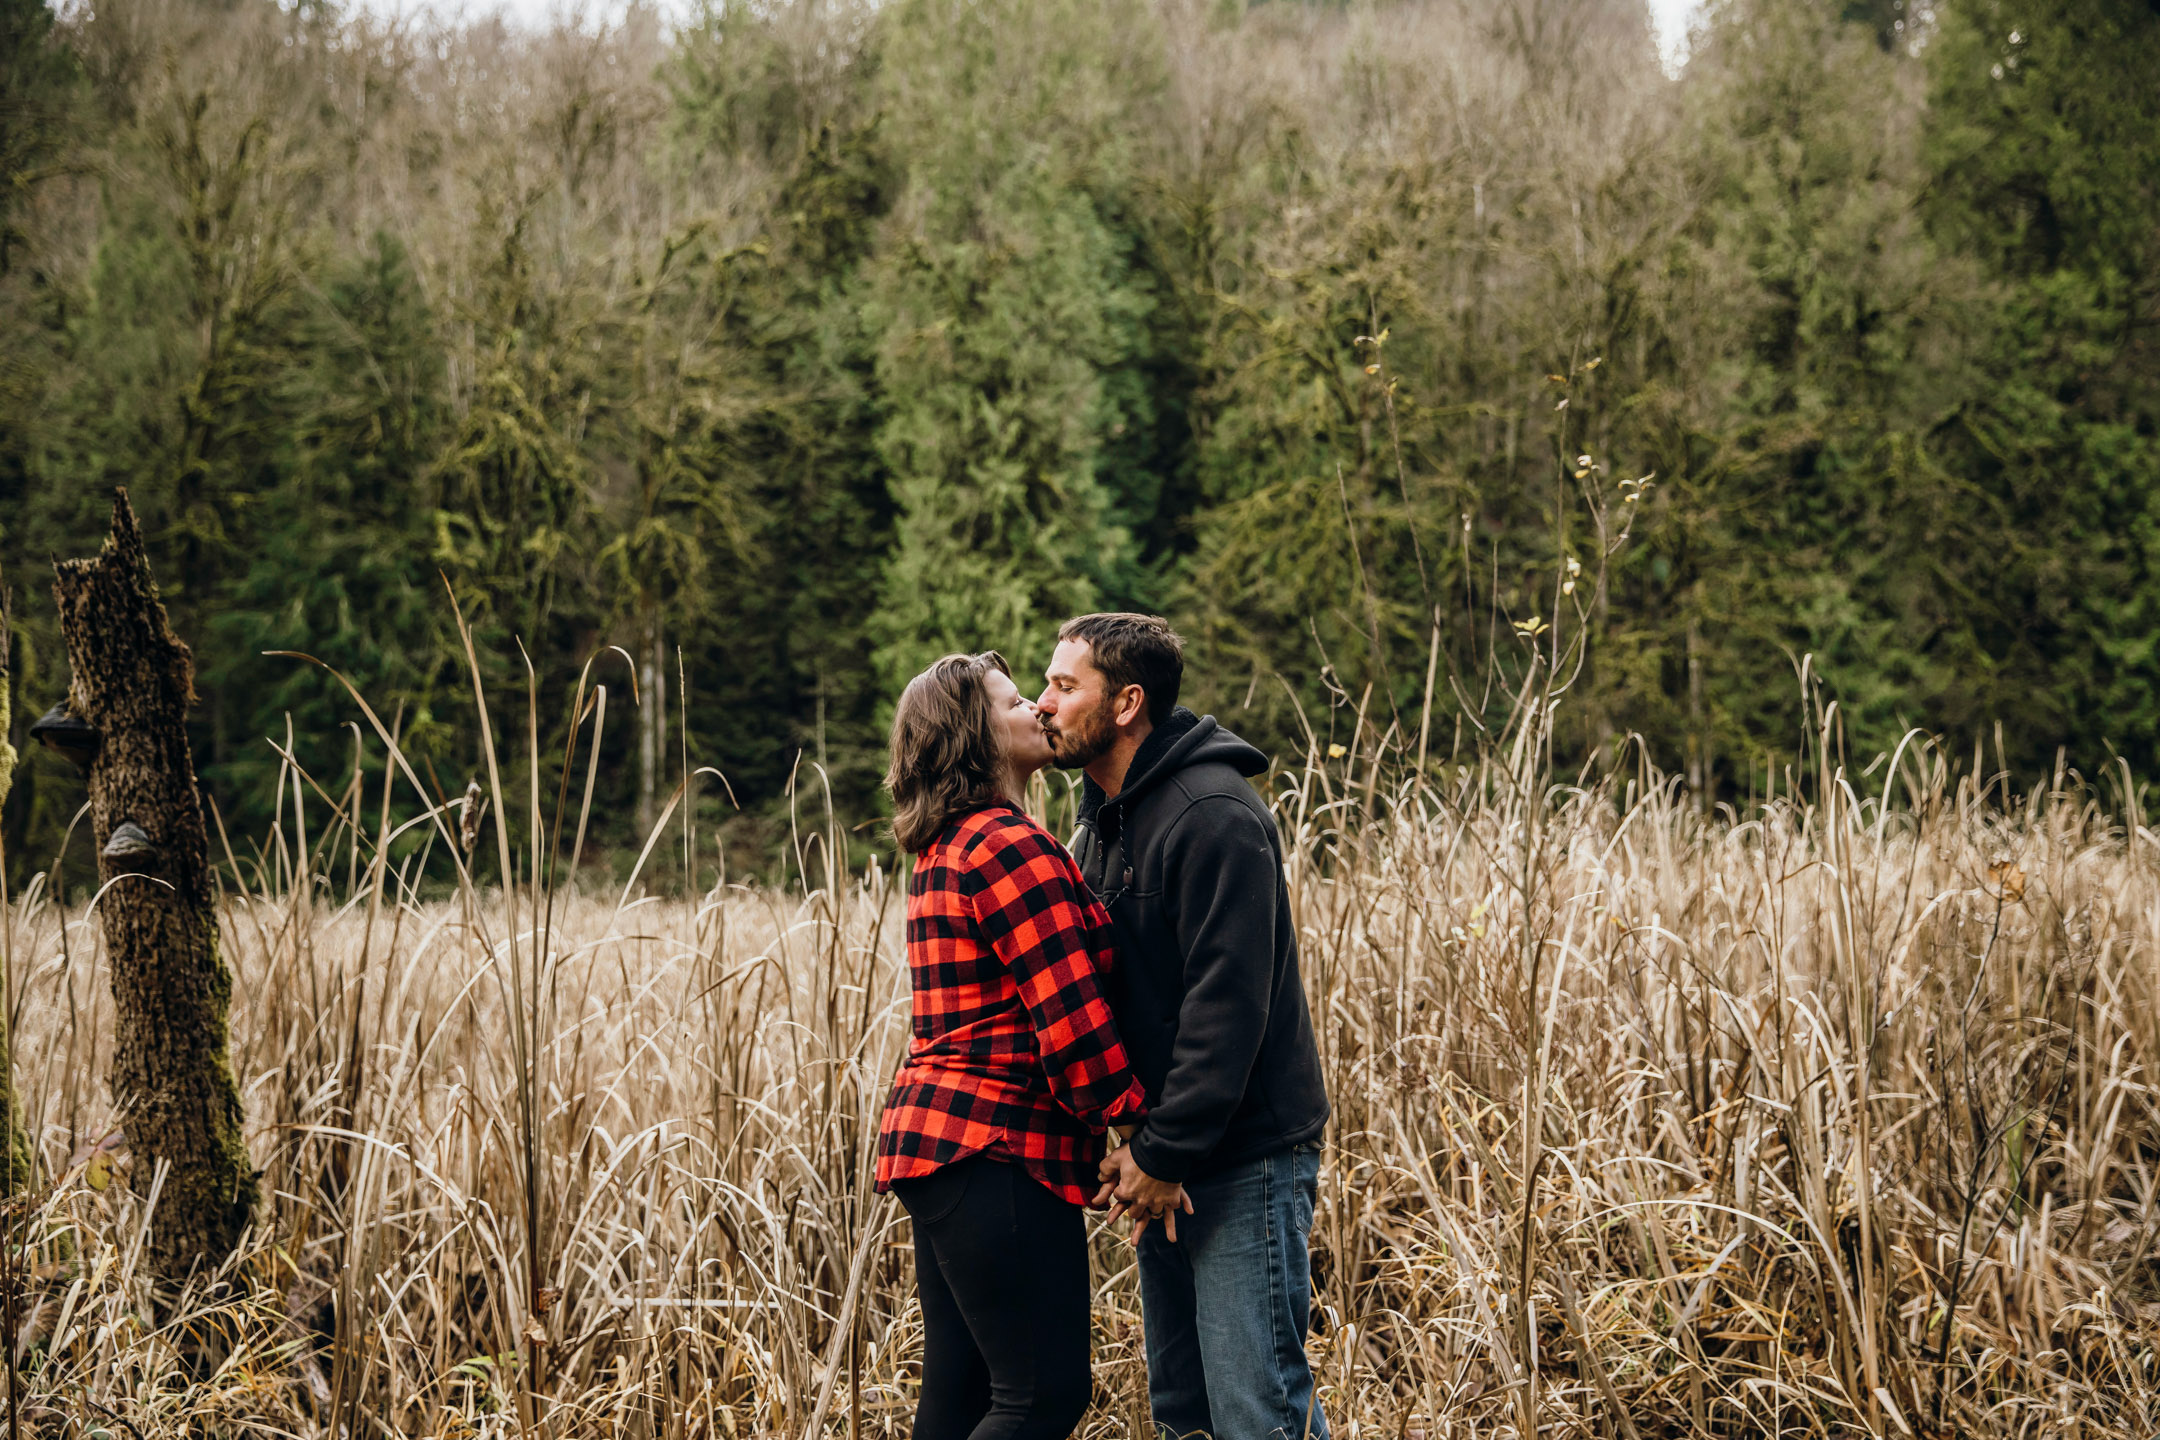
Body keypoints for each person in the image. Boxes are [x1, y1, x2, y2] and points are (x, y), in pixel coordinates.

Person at [1038, 614, 1333, 1440]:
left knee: (1257, 1410)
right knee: (1185, 1412)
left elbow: (1226, 1008)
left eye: (1065, 686)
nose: (1044, 703)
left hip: (1242, 1158)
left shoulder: (1213, 816)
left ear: (1127, 702)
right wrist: (1142, 1148)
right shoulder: (1106, 815)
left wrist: (1164, 1153)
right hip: (1166, 1157)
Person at [875, 650, 1163, 1440]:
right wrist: (1142, 1132)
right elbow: (1071, 1023)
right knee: (1042, 1395)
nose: (1037, 708)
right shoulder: (1006, 846)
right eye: (1011, 704)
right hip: (993, 1144)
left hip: (939, 1149)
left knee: (963, 1397)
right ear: (975, 737)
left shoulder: (952, 845)